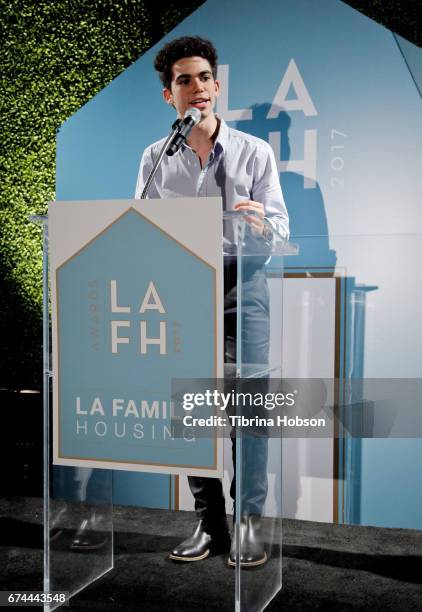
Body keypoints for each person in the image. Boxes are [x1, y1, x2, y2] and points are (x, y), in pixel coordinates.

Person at [135, 36, 289, 566]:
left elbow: (281, 229)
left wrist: (259, 226)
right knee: (193, 415)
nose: (196, 88)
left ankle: (248, 525)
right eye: (184, 80)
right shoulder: (155, 160)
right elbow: (140, 229)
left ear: (217, 87)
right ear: (168, 95)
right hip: (182, 290)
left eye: (203, 78)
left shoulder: (255, 152)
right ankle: (209, 526)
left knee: (247, 415)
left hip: (242, 287)